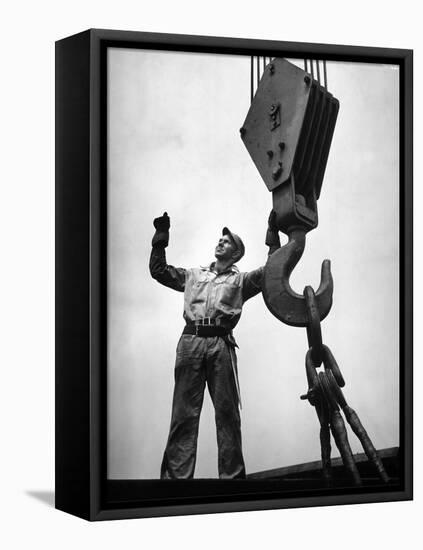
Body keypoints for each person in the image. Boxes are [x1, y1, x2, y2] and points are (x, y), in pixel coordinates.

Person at [150, 211, 281, 479]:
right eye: (220, 239)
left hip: (221, 344)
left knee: (227, 413)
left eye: (227, 241)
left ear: (236, 254)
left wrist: (273, 235)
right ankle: (176, 482)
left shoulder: (241, 280)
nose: (220, 243)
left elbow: (273, 271)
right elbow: (159, 272)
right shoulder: (194, 274)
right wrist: (160, 237)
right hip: (190, 342)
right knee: (184, 414)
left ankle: (232, 479)